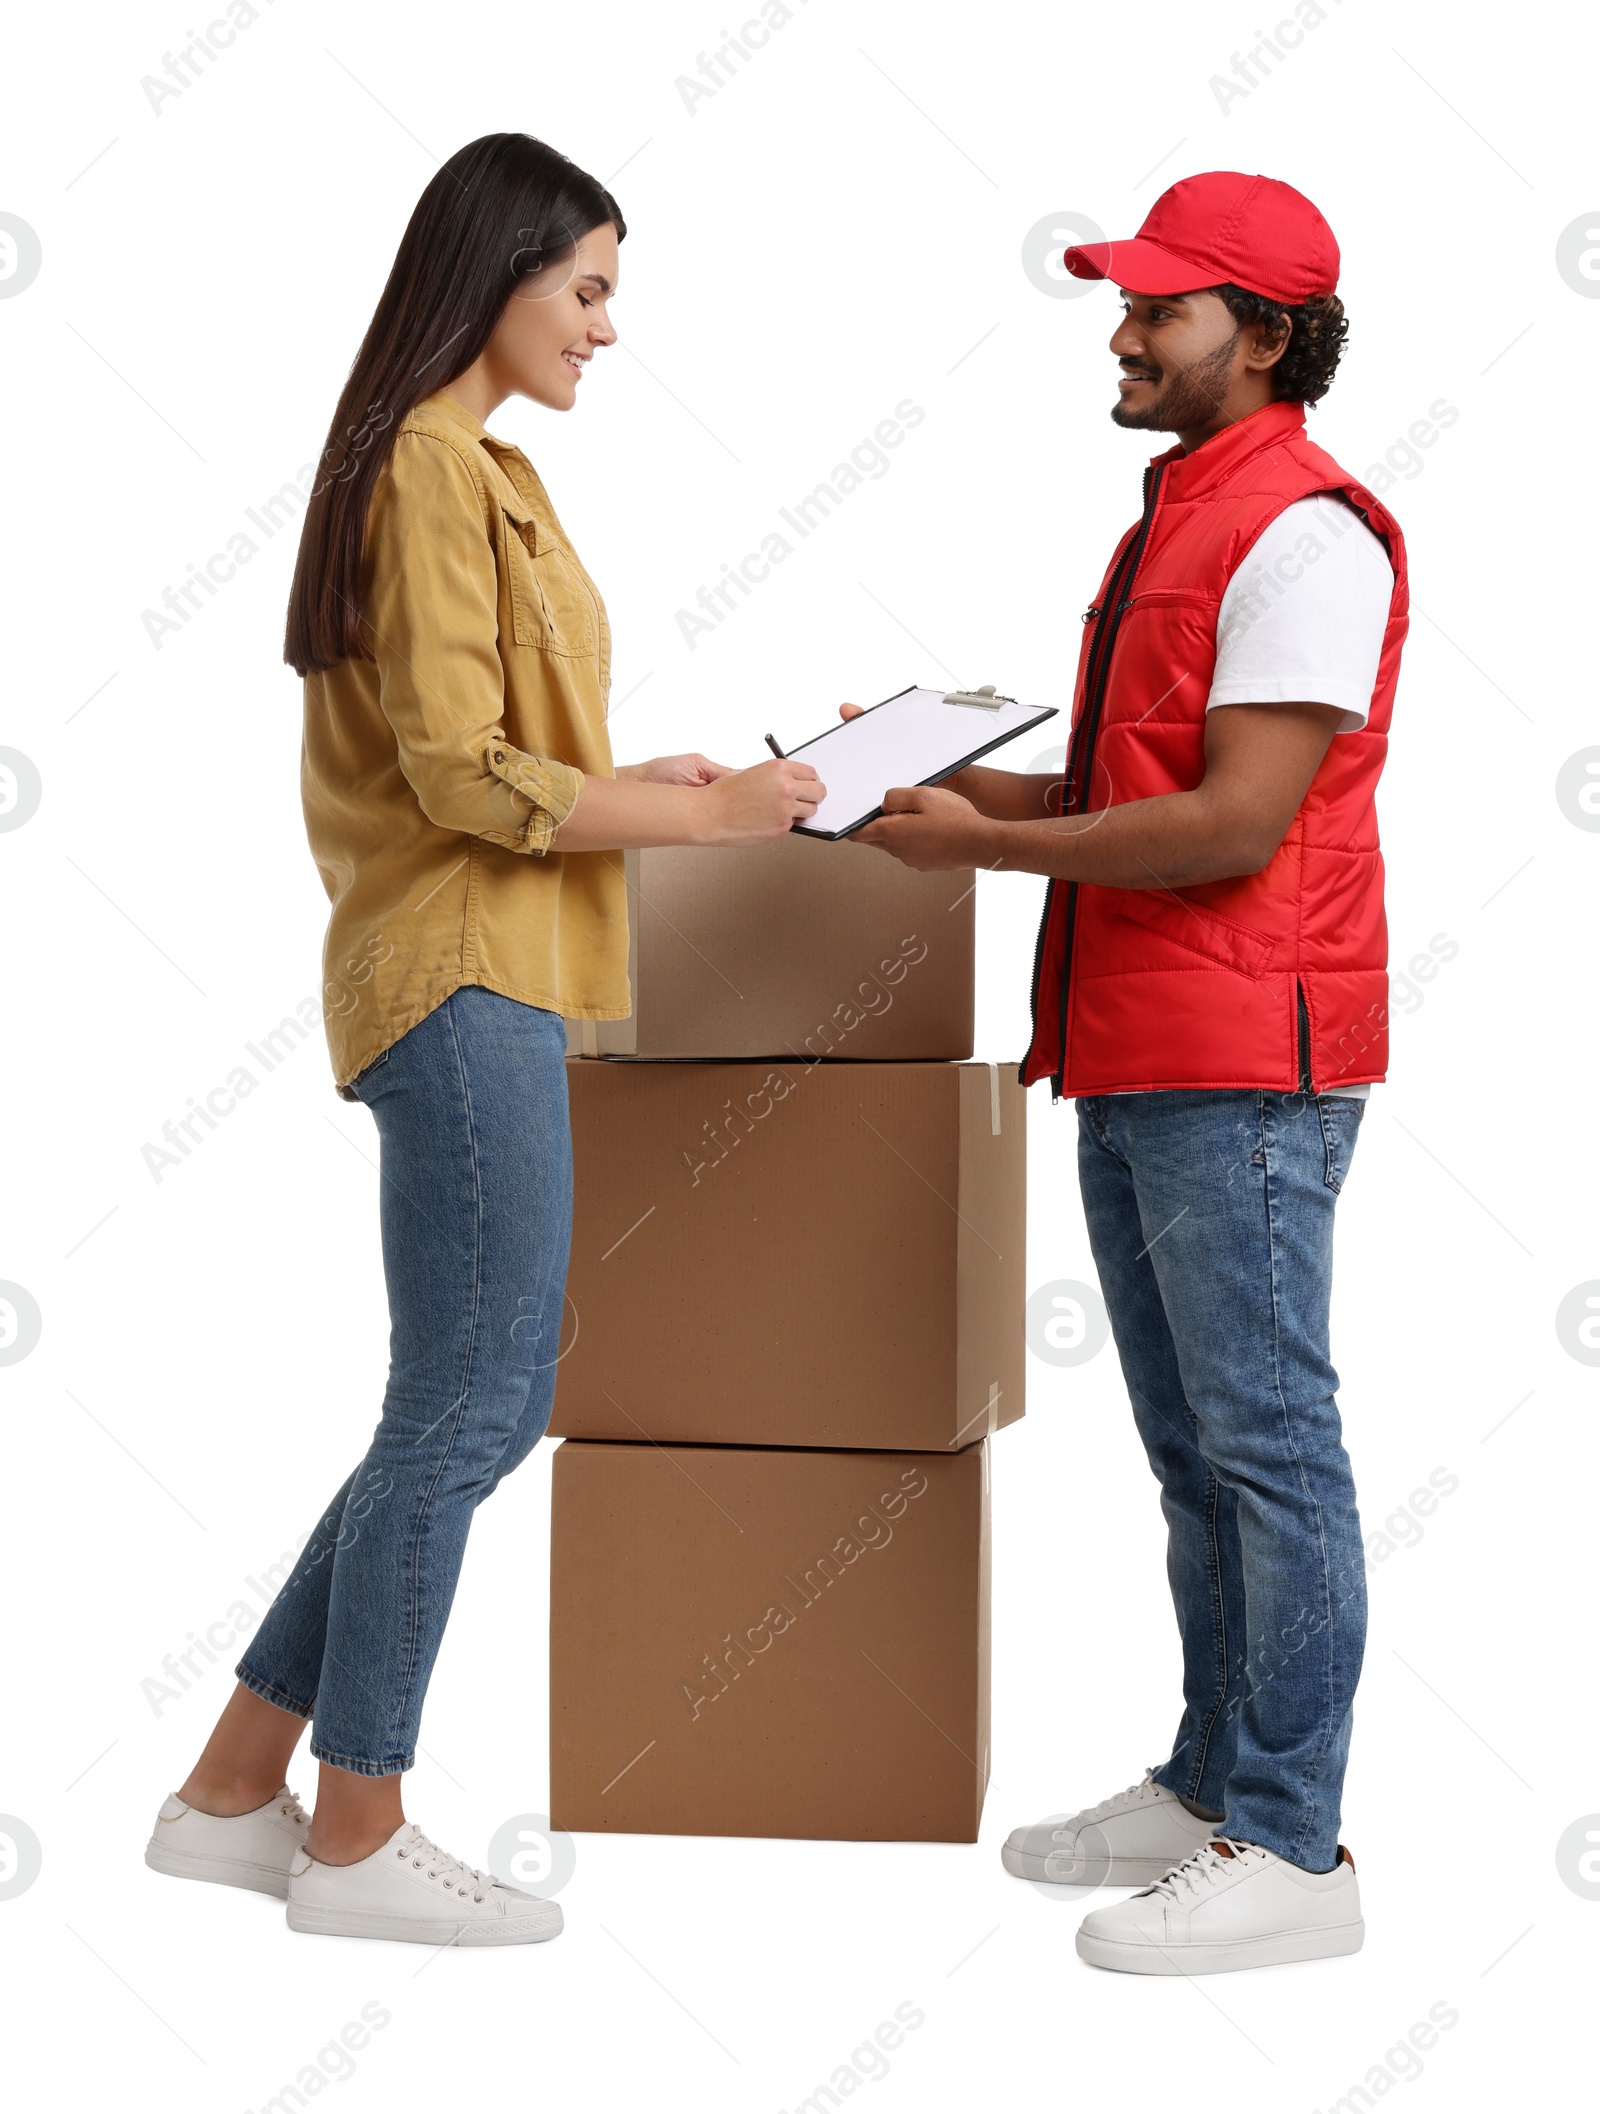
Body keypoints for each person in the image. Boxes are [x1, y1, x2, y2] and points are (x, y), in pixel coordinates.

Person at [144, 132, 822, 1948]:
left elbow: (500, 747)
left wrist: (650, 777)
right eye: (587, 290)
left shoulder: (484, 474)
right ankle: (355, 1837)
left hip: (501, 970)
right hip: (460, 980)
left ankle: (231, 1789)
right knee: (476, 1400)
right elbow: (454, 774)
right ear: (494, 275)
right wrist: (712, 821)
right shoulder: (430, 470)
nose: (609, 331)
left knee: (454, 1401)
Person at [854, 172, 1405, 1975]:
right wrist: (920, 779)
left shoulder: (1308, 532)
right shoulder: (1181, 514)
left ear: (1260, 333)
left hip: (1247, 1057)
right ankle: (1210, 1781)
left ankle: (1294, 1845)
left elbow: (1236, 826)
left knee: (1268, 1447)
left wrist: (982, 858)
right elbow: (1118, 792)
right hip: (1140, 1046)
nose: (1122, 330)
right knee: (1191, 1447)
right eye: (1126, 301)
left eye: (1157, 310)